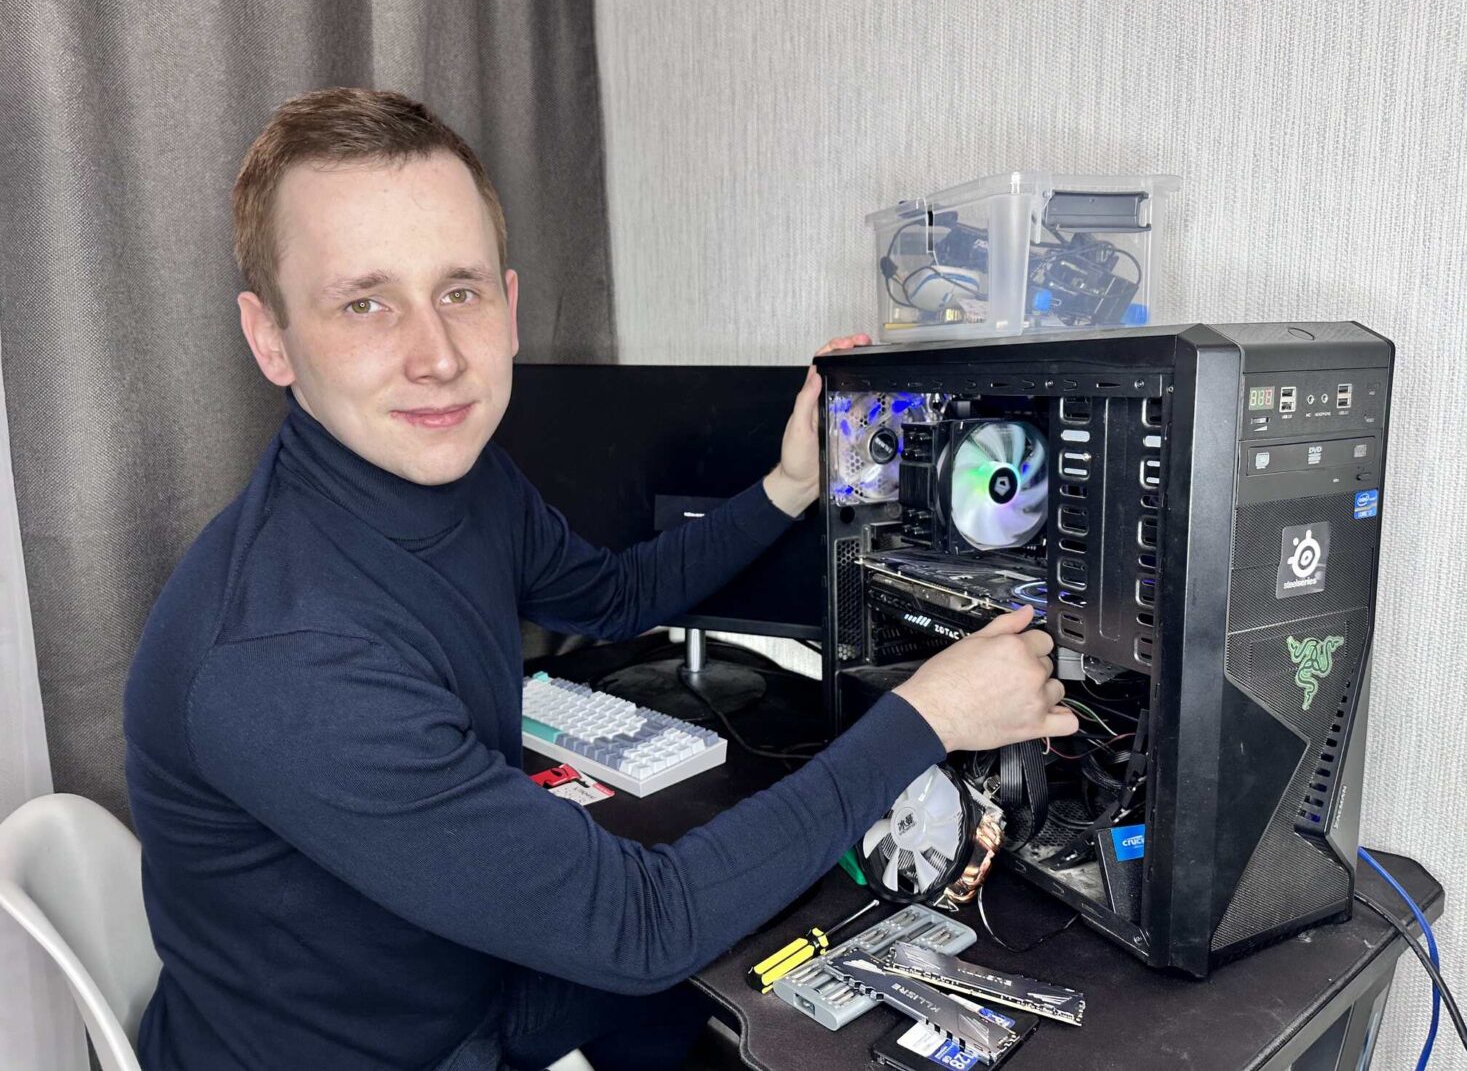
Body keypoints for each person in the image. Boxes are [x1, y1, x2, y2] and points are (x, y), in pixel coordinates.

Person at [124, 87, 1076, 1071]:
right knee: (700, 961)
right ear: (270, 337)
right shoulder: (281, 657)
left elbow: (613, 598)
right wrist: (927, 717)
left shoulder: (458, 480)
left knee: (732, 995)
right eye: (364, 303)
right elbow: (637, 925)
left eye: (459, 291)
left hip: (450, 968)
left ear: (509, 307)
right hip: (370, 1050)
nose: (437, 357)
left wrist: (791, 484)